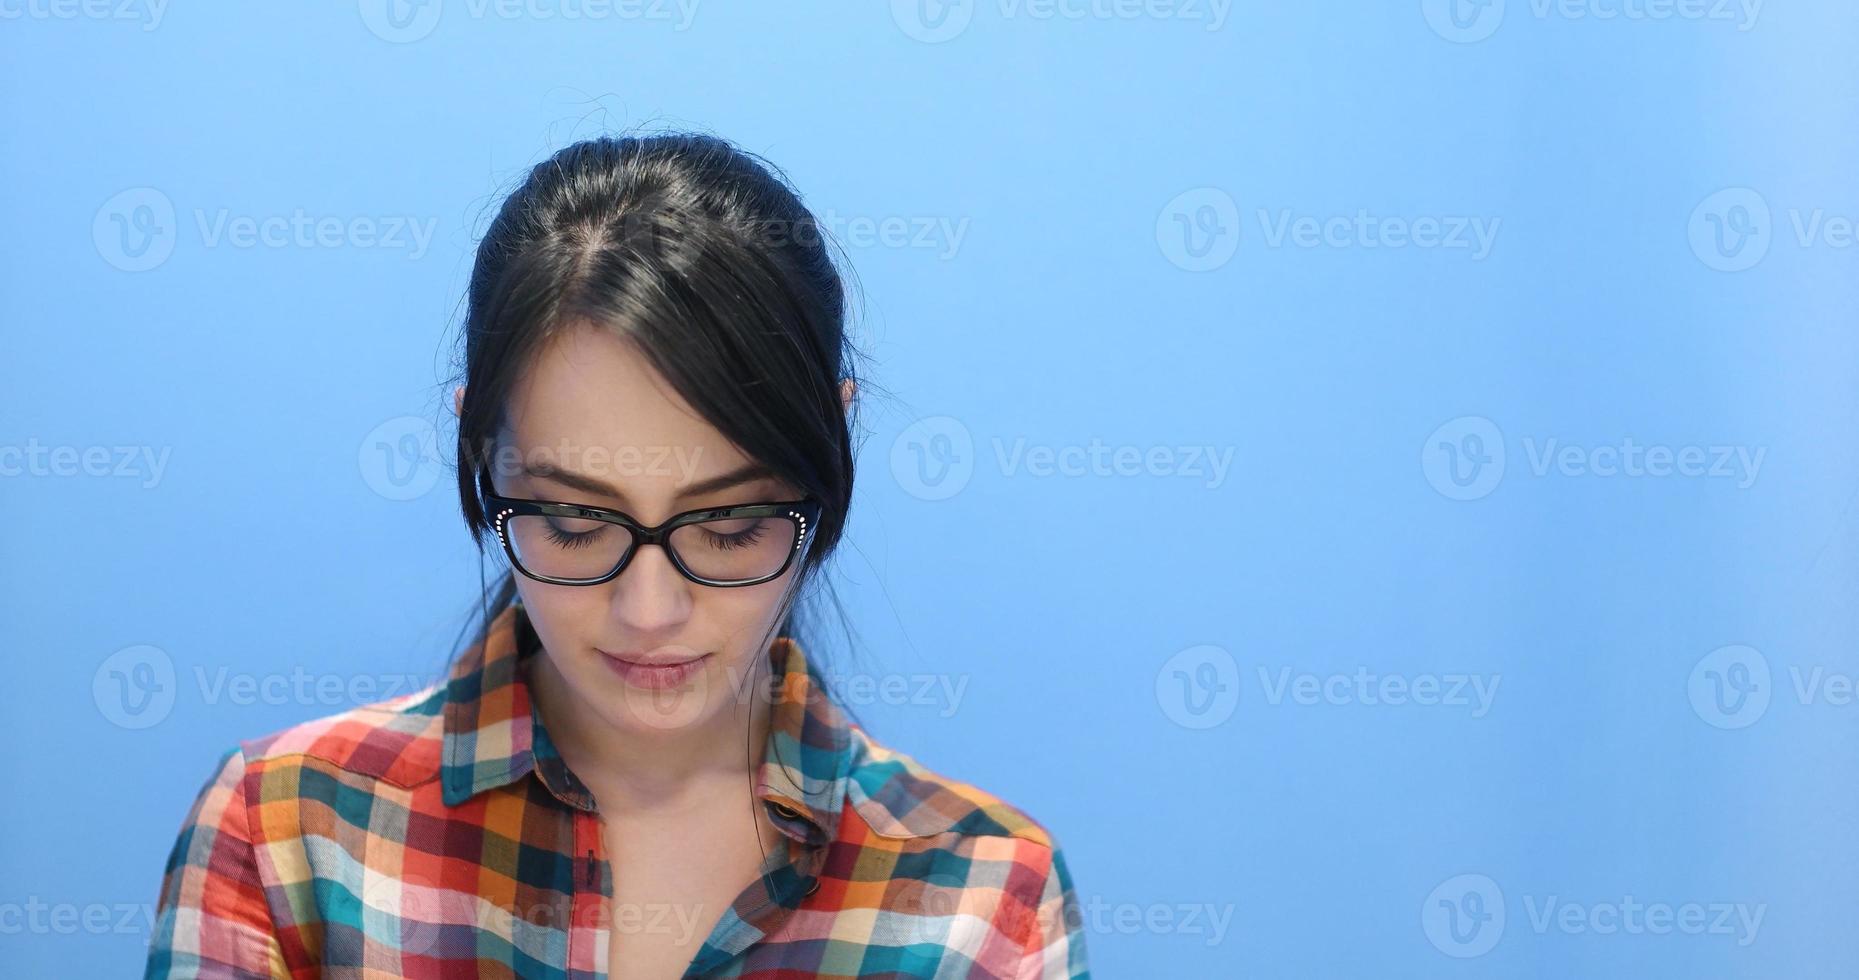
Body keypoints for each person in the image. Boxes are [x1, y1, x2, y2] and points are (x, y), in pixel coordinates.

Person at [143, 131, 1090, 979]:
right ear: (479, 445)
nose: (649, 610)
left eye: (727, 527)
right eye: (572, 523)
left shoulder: (978, 898)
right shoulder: (292, 834)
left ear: (830, 454)